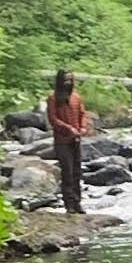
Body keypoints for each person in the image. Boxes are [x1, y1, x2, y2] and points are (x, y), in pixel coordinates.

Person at [45, 67, 89, 215]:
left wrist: (82, 128)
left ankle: (78, 203)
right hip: (62, 141)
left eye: (70, 79)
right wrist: (68, 128)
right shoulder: (53, 98)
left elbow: (83, 114)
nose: (68, 82)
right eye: (65, 80)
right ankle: (69, 204)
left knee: (77, 172)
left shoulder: (76, 97)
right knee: (67, 172)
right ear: (60, 81)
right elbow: (53, 120)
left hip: (76, 140)